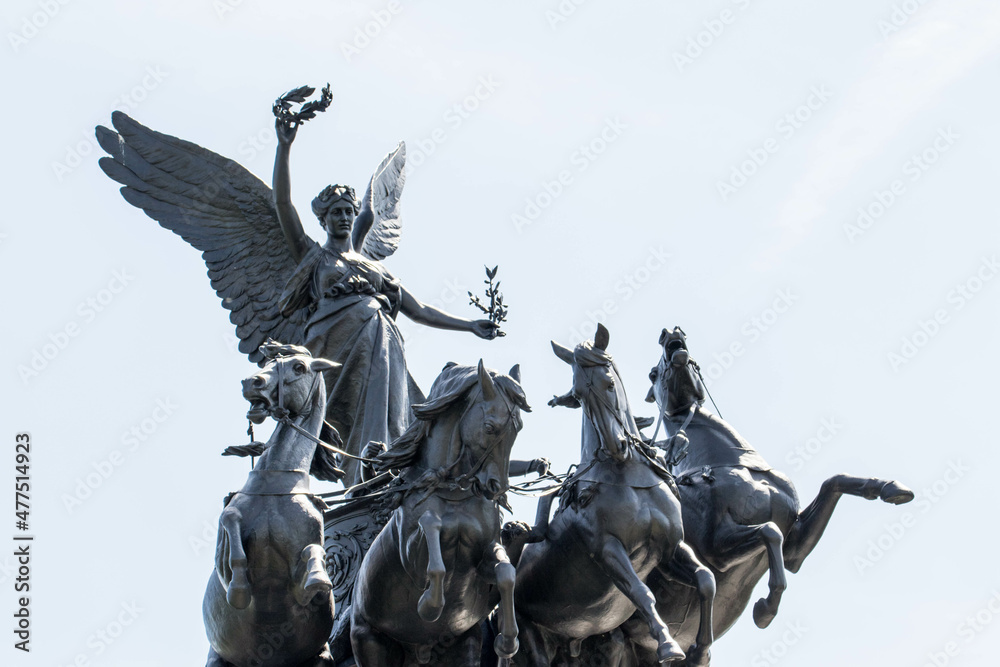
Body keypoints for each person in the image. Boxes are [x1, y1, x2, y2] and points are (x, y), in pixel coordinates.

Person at [270, 119, 498, 483]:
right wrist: (285, 147)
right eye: (336, 213)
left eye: (349, 211)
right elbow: (282, 204)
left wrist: (468, 325)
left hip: (382, 348)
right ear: (323, 219)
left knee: (384, 416)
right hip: (334, 346)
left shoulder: (374, 269)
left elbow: (419, 310)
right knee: (335, 419)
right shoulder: (314, 258)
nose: (344, 218)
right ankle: (349, 476)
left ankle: (378, 474)